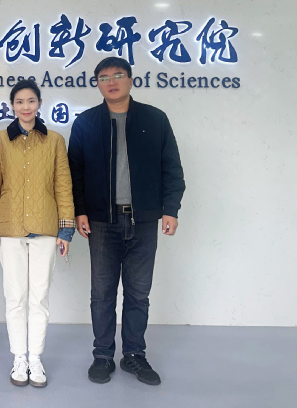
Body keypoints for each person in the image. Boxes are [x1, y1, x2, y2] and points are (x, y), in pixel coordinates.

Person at [68, 57, 185, 386]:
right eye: (104, 77)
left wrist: (171, 209)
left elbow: (171, 167)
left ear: (131, 80)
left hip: (144, 220)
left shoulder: (154, 119)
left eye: (118, 75)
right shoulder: (86, 122)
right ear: (97, 84)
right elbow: (74, 172)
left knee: (138, 294)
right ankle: (103, 355)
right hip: (101, 222)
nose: (112, 82)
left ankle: (134, 354)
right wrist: (79, 210)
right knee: (102, 294)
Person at [0, 79, 75, 388]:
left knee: (39, 298)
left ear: (39, 103)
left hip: (46, 228)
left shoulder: (54, 141)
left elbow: (63, 184)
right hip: (9, 229)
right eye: (20, 101)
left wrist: (66, 229)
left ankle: (35, 357)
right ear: (12, 105)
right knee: (15, 297)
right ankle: (19, 358)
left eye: (31, 101)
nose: (26, 107)